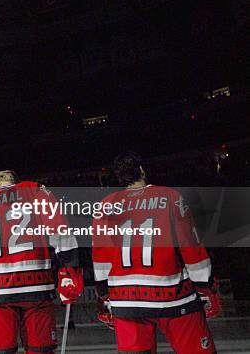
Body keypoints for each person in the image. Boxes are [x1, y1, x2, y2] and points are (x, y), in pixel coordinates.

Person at [92, 151, 220, 353]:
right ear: (142, 170)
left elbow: (101, 256)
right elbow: (190, 245)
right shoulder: (170, 196)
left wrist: (104, 294)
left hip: (125, 299)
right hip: (172, 295)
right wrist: (205, 285)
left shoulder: (105, 205)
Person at [0, 170, 84, 354]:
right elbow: (60, 230)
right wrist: (69, 269)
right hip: (36, 287)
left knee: (0, 351)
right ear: (17, 182)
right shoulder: (35, 191)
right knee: (40, 350)